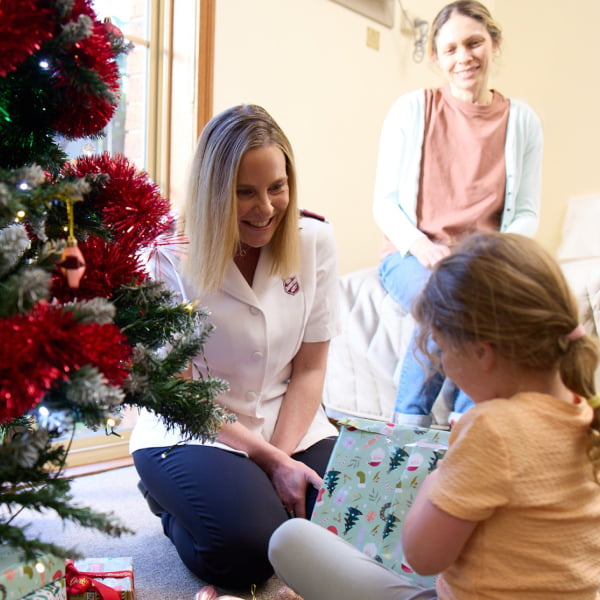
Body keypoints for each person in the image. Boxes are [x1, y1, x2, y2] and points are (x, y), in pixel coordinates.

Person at [268, 231, 600, 600]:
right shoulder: (585, 411)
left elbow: (423, 556)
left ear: (482, 353)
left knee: (290, 539)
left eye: (441, 351)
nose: (444, 369)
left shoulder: (493, 429)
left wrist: (441, 473)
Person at [129, 104, 340, 590]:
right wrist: (269, 463)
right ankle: (168, 503)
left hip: (286, 422)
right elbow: (176, 392)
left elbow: (310, 367)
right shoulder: (166, 256)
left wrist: (279, 459)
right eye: (244, 192)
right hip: (192, 429)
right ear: (212, 191)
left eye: (276, 188)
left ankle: (234, 496)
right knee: (253, 552)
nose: (265, 208)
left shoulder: (315, 240)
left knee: (344, 529)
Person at [373, 0, 543, 427]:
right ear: (435, 57)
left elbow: (525, 213)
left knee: (487, 306)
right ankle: (406, 427)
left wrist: (483, 255)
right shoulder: (412, 110)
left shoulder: (522, 121)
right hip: (411, 255)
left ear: (494, 44)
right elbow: (384, 203)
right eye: (450, 49)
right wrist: (424, 248)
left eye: (473, 43)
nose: (463, 57)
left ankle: (468, 430)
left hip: (482, 261)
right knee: (446, 301)